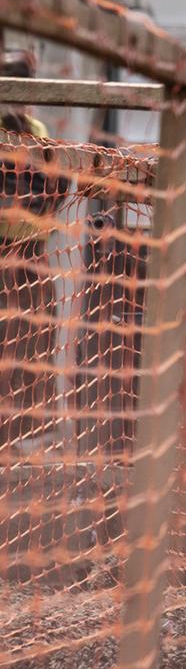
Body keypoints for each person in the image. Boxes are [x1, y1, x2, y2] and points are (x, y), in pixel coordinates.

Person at [0, 47, 62, 447]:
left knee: (36, 345)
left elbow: (54, 189)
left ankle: (20, 438)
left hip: (33, 256)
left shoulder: (39, 132)